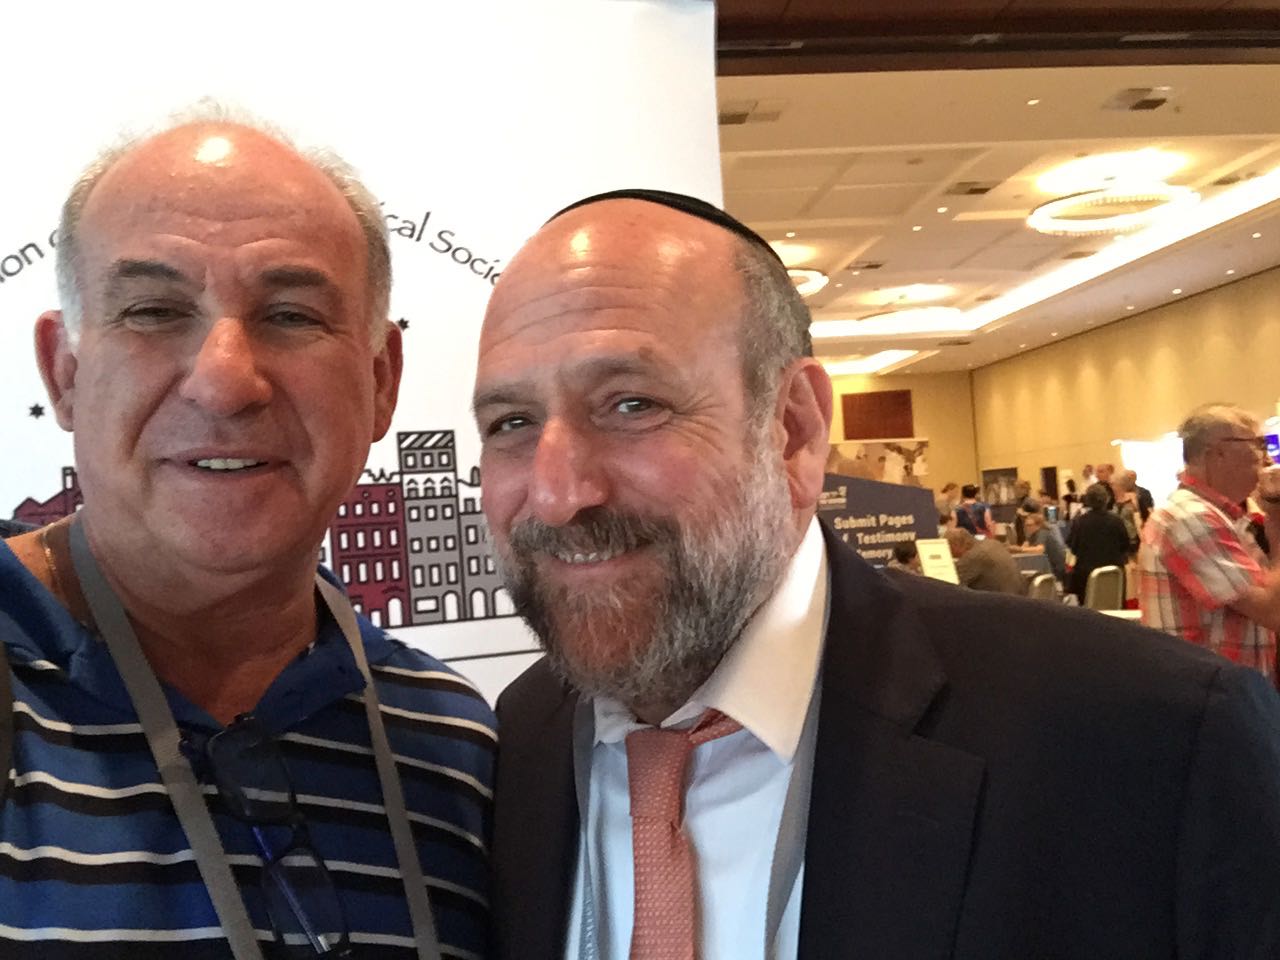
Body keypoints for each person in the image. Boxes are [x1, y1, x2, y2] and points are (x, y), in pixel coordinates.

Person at [473, 188, 1280, 960]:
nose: (557, 494)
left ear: (793, 430)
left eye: (632, 404)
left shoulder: (1154, 743)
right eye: (511, 422)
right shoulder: (520, 742)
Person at [0, 113, 495, 958]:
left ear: (381, 379)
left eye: (292, 316)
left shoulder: (456, 748)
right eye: (154, 311)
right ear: (65, 374)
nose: (226, 381)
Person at [1140, 403, 1280, 687]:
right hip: (1208, 698)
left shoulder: (1227, 518)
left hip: (1227, 693)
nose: (1266, 459)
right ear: (1217, 454)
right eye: (1258, 445)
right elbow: (1273, 611)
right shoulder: (1189, 518)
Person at [1066, 483, 1131, 603]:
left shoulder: (1079, 522)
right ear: (1107, 499)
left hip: (1086, 578)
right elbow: (1125, 546)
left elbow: (1072, 548)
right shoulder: (1116, 521)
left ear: (1087, 501)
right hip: (1113, 575)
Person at [945, 528, 1027, 596]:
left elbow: (950, 586)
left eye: (948, 547)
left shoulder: (973, 557)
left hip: (999, 605)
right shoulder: (994, 544)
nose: (948, 553)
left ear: (956, 544)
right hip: (1017, 599)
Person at [1010, 506, 1068, 584]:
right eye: (1026, 525)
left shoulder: (1042, 533)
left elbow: (1040, 549)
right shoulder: (1031, 535)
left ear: (1038, 525)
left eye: (1029, 525)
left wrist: (1020, 549)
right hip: (1047, 568)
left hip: (1056, 571)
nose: (1026, 528)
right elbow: (1025, 547)